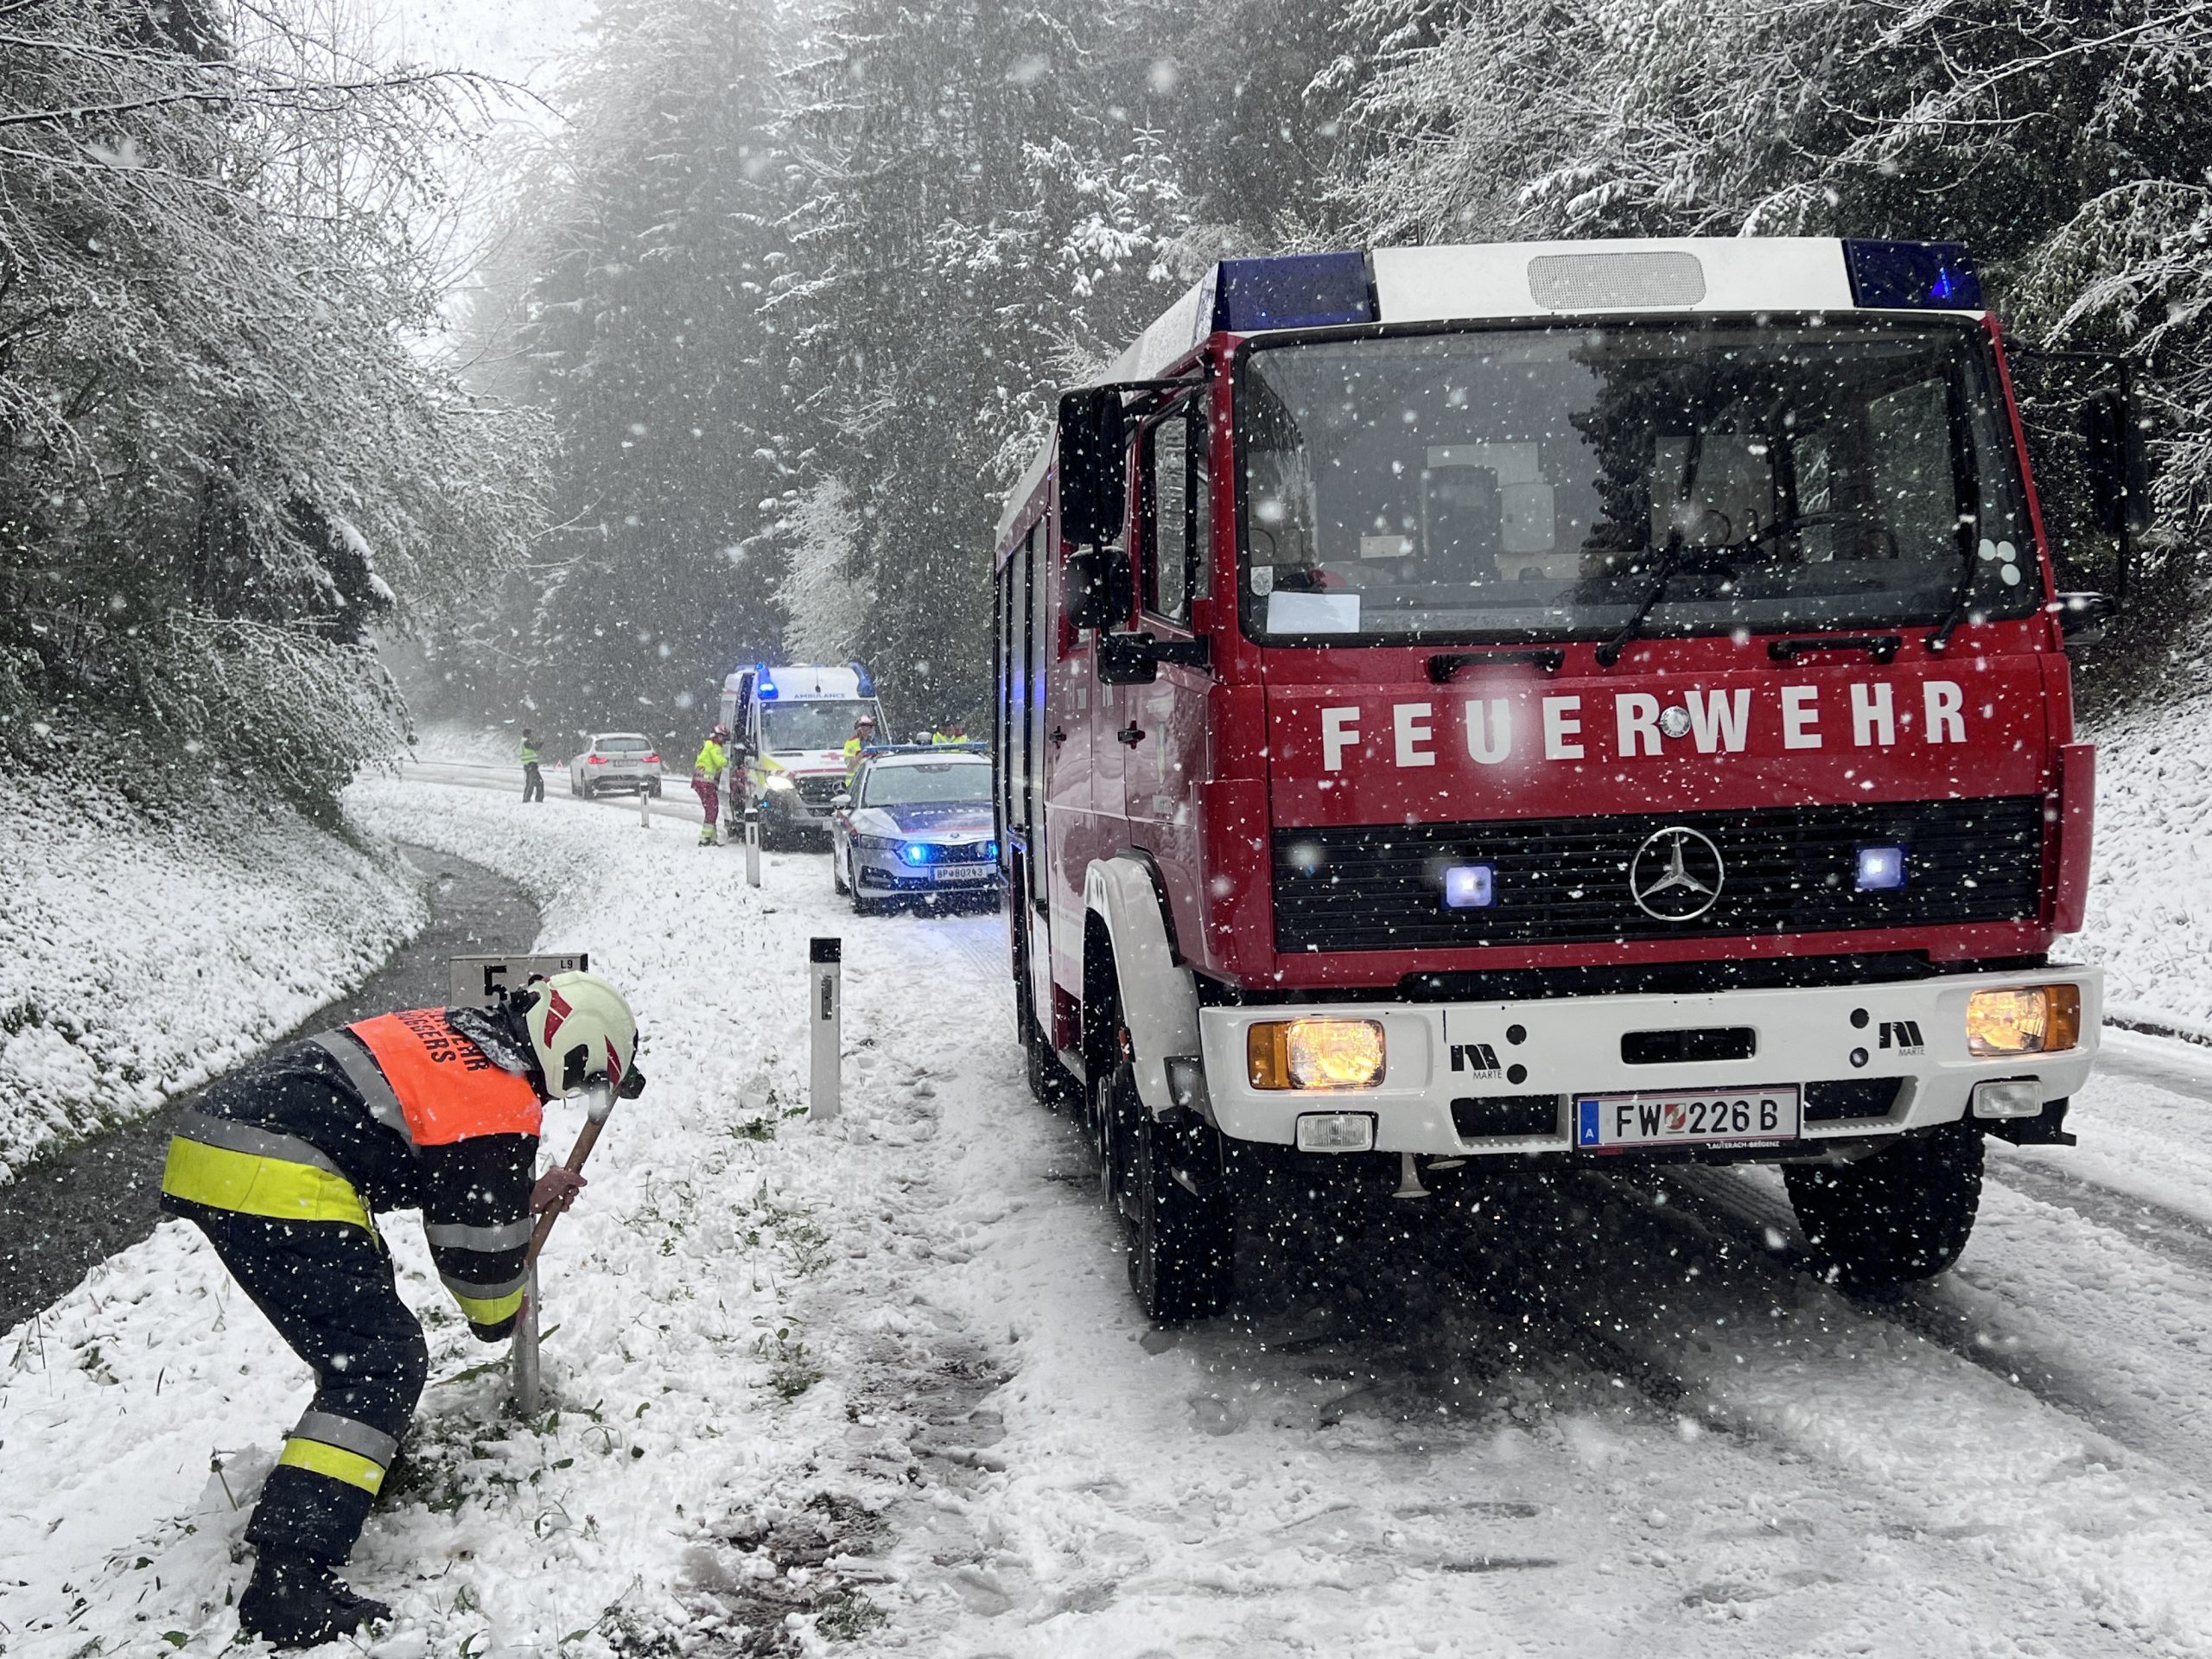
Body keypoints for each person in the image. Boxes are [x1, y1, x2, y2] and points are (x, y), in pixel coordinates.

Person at [158, 973, 645, 1648]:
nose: (572, 1098)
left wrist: (514, 1195)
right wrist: (502, 1310)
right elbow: (477, 1264)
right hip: (276, 1167)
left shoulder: (465, 1035)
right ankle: (289, 1582)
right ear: (575, 1053)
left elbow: (443, 1171)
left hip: (232, 1141)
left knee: (362, 1344)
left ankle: (342, 1473)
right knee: (380, 1361)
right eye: (585, 1083)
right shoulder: (500, 1097)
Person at [693, 723, 730, 846]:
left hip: (700, 783)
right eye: (722, 738)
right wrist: (730, 762)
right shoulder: (715, 746)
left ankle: (712, 838)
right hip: (706, 783)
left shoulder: (708, 743)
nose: (723, 741)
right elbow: (719, 762)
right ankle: (704, 839)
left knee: (711, 809)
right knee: (712, 810)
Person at [842, 712, 878, 780]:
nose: (866, 729)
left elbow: (883, 755)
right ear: (858, 729)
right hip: (854, 782)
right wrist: (862, 754)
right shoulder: (851, 742)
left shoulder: (874, 742)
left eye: (869, 726)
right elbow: (850, 765)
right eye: (863, 727)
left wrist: (877, 756)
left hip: (871, 781)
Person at [518, 730, 543, 803]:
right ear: (527, 735)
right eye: (531, 734)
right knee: (537, 783)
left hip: (528, 765)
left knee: (530, 783)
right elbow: (535, 747)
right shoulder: (526, 742)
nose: (532, 736)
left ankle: (526, 799)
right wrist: (540, 741)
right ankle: (537, 800)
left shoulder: (523, 742)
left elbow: (533, 746)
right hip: (531, 765)